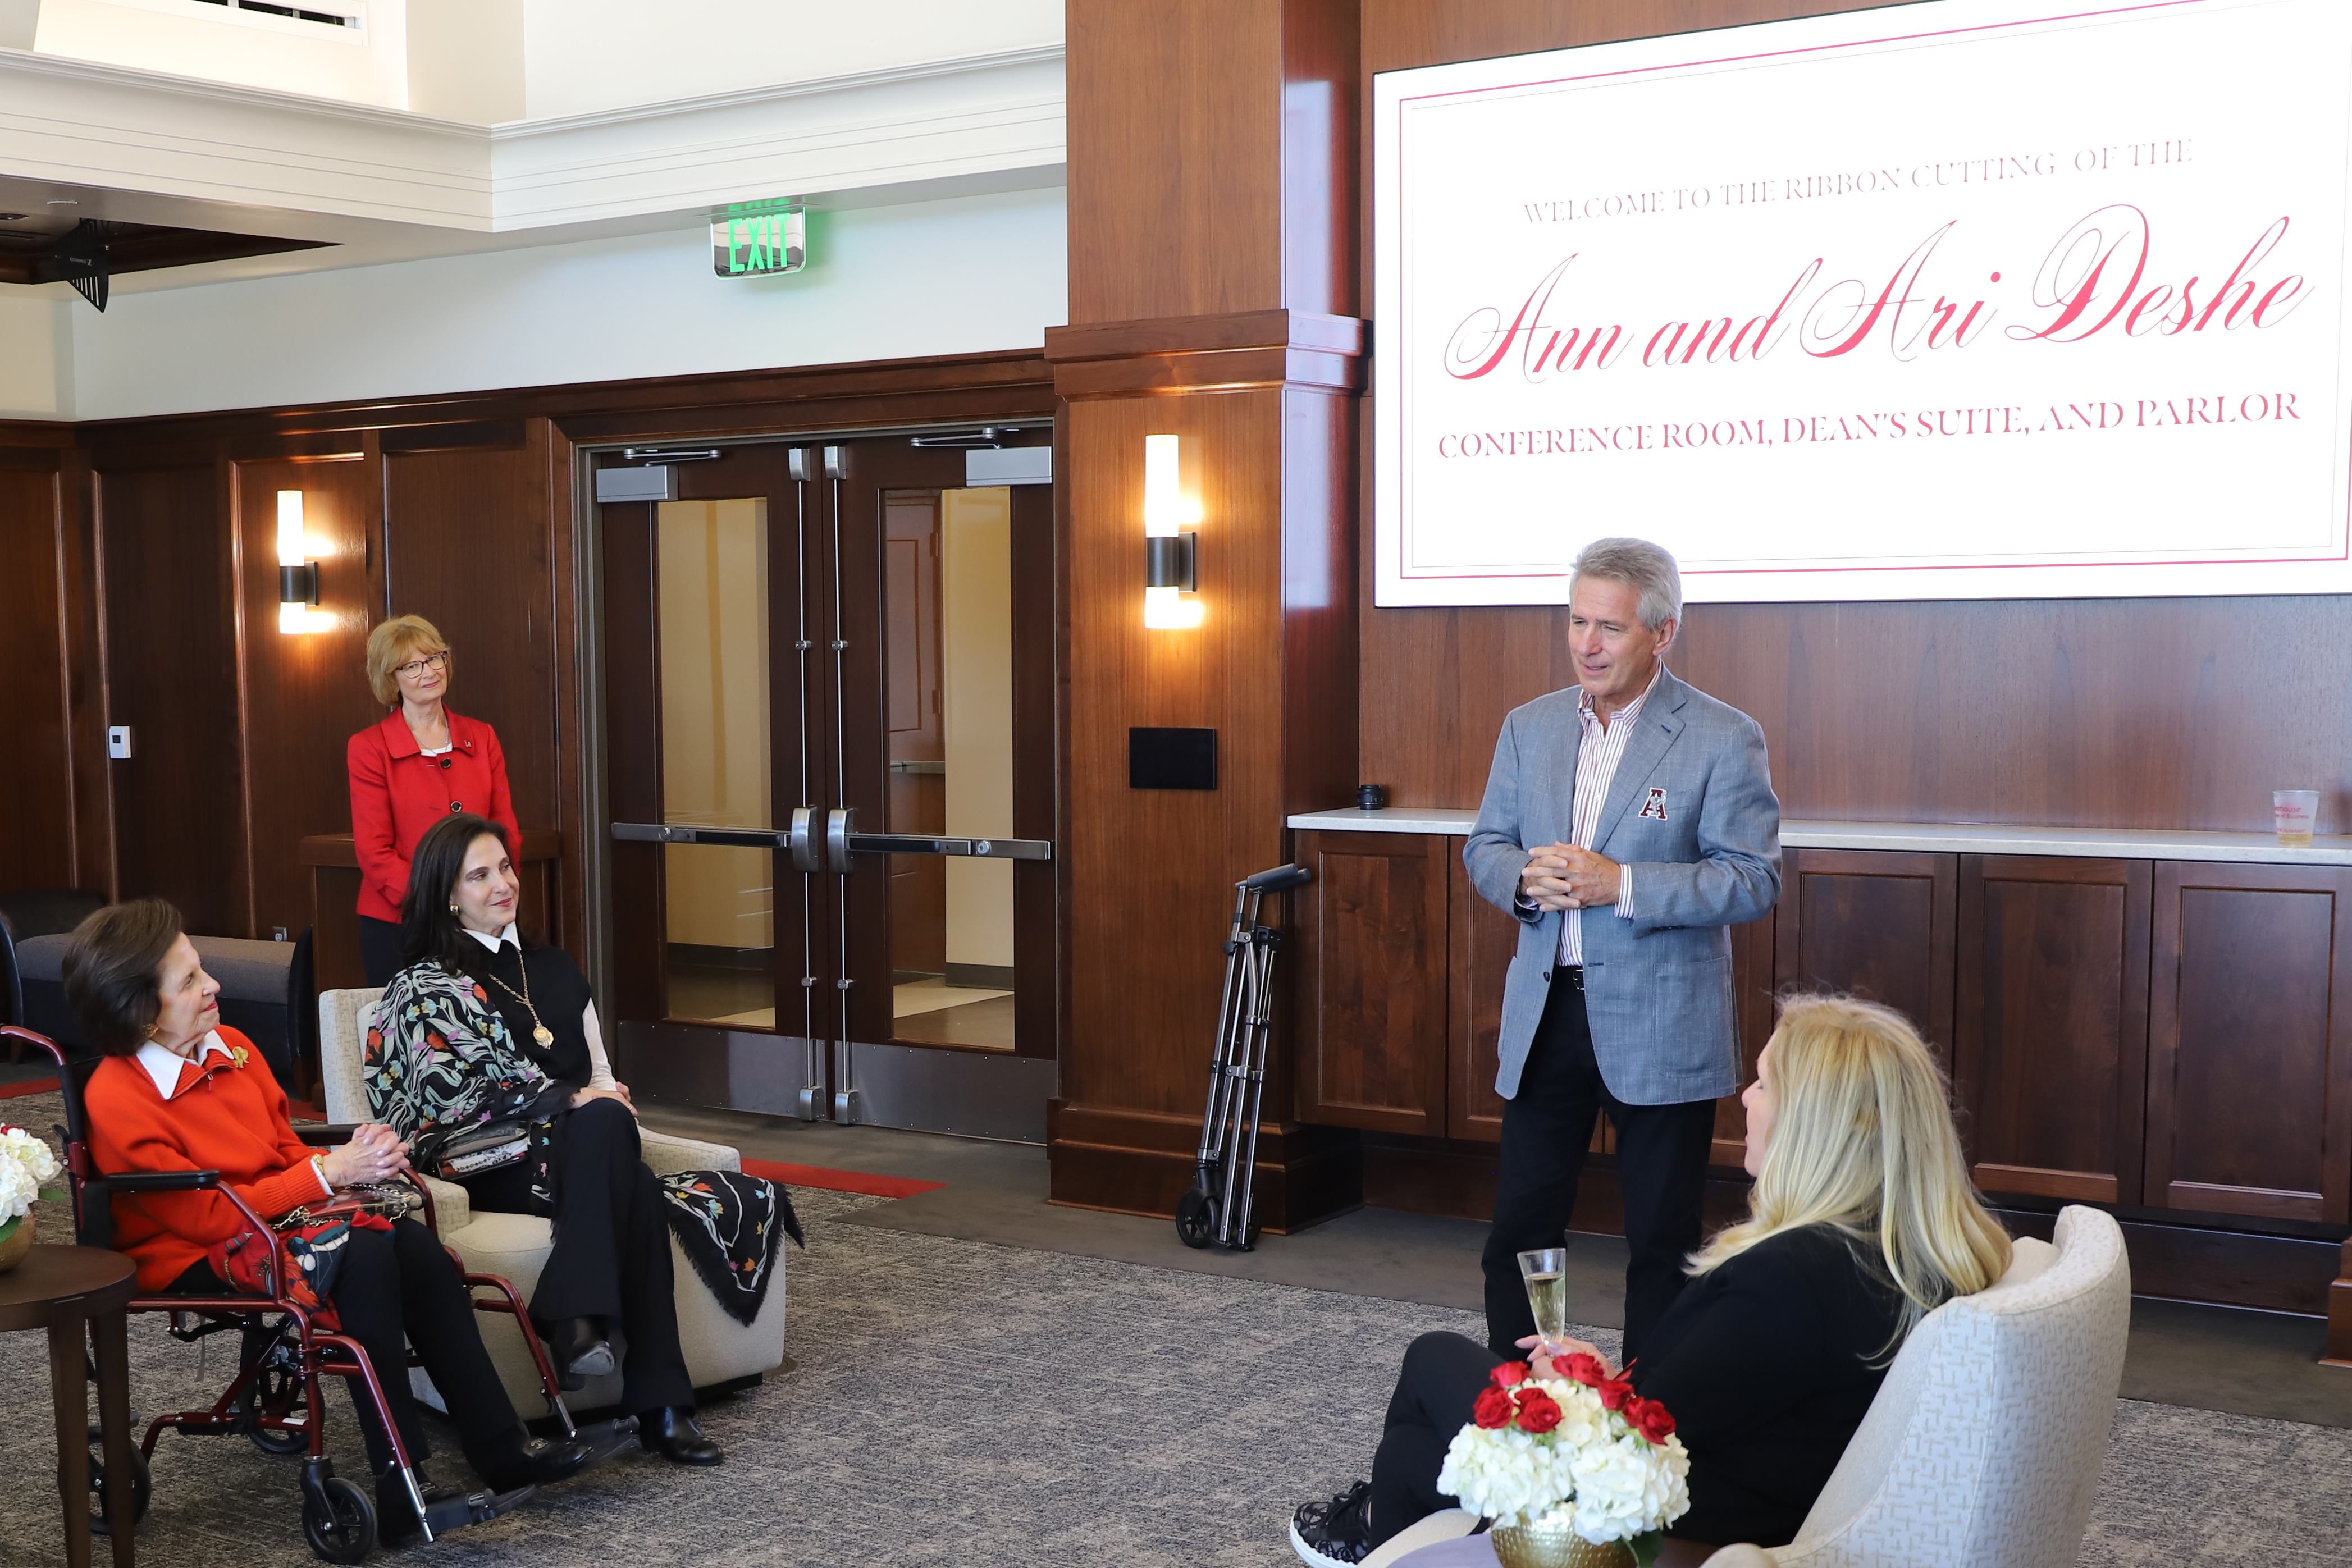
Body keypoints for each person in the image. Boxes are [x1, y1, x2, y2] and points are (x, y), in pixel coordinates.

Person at [1291, 996, 2014, 1565]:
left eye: (1765, 1083)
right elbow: (1715, 1395)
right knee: (1411, 1456)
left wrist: (1588, 1396)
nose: (1746, 1098)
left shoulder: (1790, 1279)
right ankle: (1383, 1529)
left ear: (1815, 1124)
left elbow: (1644, 1440)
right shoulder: (1910, 1250)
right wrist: (1603, 1378)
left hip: (1675, 1517)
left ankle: (1380, 1531)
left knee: (1430, 1363)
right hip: (1751, 1488)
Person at [66, 898, 591, 1542]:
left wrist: (359, 1163)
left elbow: (285, 1149)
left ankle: (500, 1448)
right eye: (191, 980)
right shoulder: (117, 1096)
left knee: (416, 1250)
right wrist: (327, 1174)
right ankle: (400, 1484)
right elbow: (207, 1218)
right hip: (193, 1249)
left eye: (202, 969)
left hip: (279, 1222)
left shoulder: (232, 1048)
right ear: (141, 1012)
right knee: (363, 1257)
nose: (214, 985)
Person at [1463, 537, 1780, 1363]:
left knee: (1661, 1243)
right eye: (1576, 622)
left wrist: (1622, 884)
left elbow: (1752, 880)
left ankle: (1650, 1414)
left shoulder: (1723, 736)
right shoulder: (1528, 726)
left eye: (1608, 627)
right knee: (1521, 1230)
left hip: (1661, 1021)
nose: (1587, 644)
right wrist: (1522, 877)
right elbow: (1485, 845)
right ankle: (1523, 1403)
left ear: (1662, 633)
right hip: (1546, 1017)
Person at [365, 812, 723, 1466]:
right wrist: (574, 1102)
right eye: (480, 875)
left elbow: (601, 1072)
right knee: (630, 1174)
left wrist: (599, 1100)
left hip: (580, 1152)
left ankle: (578, 1320)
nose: (503, 884)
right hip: (488, 1160)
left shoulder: (555, 967)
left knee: (622, 1149)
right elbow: (443, 1101)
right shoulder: (423, 983)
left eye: (505, 867)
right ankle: (660, 1405)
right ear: (448, 894)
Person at [348, 614, 519, 986]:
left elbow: (505, 831)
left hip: (482, 918)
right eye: (412, 666)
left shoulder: (482, 737)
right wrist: (441, 902)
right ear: (390, 678)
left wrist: (491, 893)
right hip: (402, 922)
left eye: (435, 658)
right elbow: (374, 851)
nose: (429, 671)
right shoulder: (369, 748)